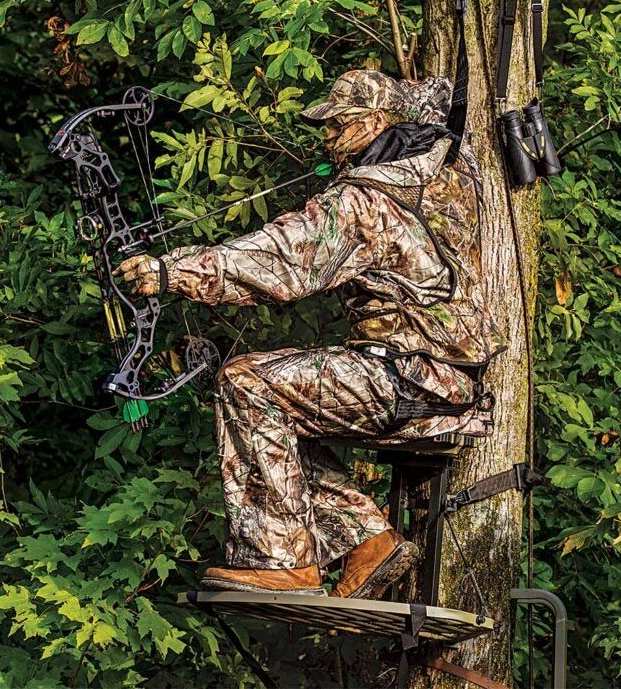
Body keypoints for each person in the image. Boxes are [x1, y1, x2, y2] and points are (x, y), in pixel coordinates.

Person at [116, 70, 504, 599]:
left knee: (246, 384)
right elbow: (432, 112)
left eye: (338, 126)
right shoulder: (453, 175)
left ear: (372, 123)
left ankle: (282, 562)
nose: (327, 138)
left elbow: (281, 260)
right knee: (284, 405)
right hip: (447, 379)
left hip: (409, 376)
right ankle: (370, 542)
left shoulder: (367, 200)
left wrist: (169, 272)